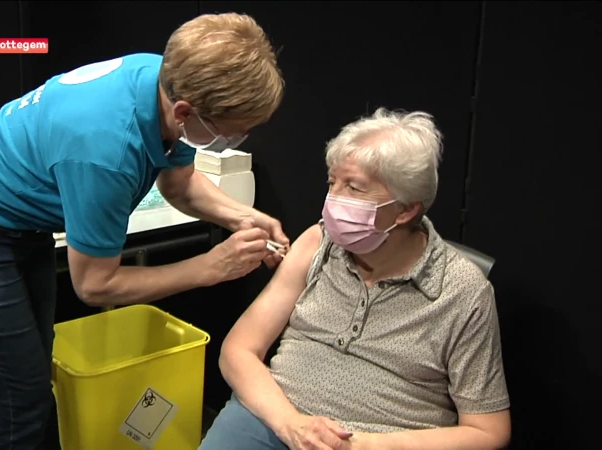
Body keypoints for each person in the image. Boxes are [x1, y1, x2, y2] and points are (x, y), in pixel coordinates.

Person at [0, 13, 289, 450]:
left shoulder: (165, 78)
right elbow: (95, 284)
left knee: (34, 375)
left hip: (16, 215)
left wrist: (239, 216)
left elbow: (178, 182)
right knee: (17, 403)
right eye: (232, 132)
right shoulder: (106, 152)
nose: (236, 139)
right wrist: (210, 267)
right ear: (185, 111)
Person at [199, 108, 511, 450]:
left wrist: (367, 445)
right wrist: (291, 425)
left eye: (355, 188)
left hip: (381, 441)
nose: (334, 200)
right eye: (333, 183)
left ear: (406, 209)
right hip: (273, 417)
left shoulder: (461, 291)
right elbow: (238, 350)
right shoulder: (318, 244)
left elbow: (487, 431)